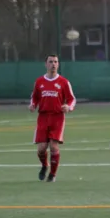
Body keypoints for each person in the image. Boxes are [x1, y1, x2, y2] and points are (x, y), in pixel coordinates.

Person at [28, 54, 76, 183]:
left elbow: (72, 99)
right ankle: (44, 165)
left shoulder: (63, 82)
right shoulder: (39, 82)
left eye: (55, 62)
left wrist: (68, 107)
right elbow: (35, 97)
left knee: (54, 147)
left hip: (57, 117)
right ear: (46, 64)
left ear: (58, 64)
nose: (53, 64)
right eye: (51, 62)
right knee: (41, 148)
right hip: (43, 117)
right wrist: (33, 105)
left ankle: (52, 175)